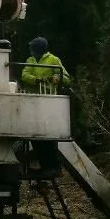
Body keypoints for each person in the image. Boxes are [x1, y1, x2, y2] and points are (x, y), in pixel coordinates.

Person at [21, 36, 70, 174]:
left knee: (48, 136)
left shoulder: (53, 60)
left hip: (49, 101)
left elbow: (66, 77)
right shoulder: (30, 61)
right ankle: (45, 166)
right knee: (35, 137)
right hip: (33, 102)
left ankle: (54, 166)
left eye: (33, 48)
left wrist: (57, 78)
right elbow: (25, 75)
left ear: (39, 49)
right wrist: (36, 80)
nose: (31, 51)